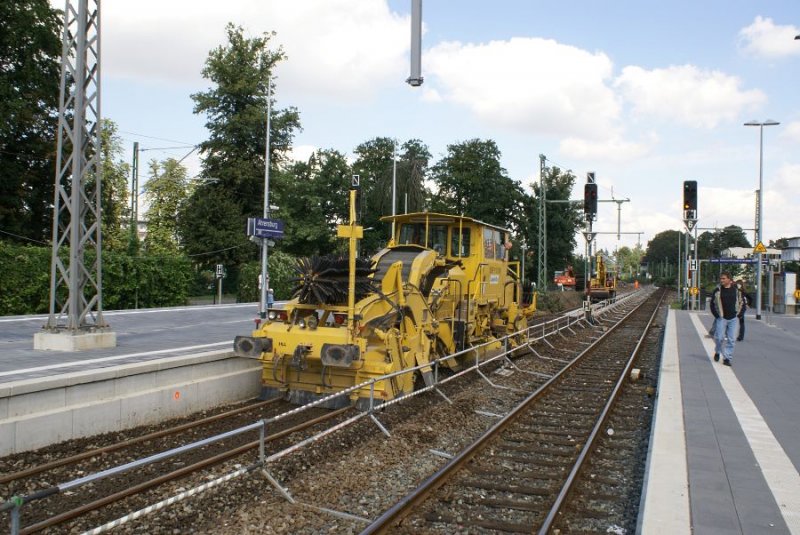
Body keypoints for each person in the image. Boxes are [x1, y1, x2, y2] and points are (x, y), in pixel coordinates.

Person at [709, 271, 745, 366]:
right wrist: (717, 316)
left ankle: (727, 358)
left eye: (724, 278)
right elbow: (712, 304)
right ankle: (717, 351)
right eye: (721, 278)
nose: (721, 280)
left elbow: (742, 302)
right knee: (719, 338)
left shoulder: (737, 290)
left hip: (733, 318)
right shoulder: (717, 290)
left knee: (731, 339)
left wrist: (739, 314)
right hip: (721, 318)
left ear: (729, 279)